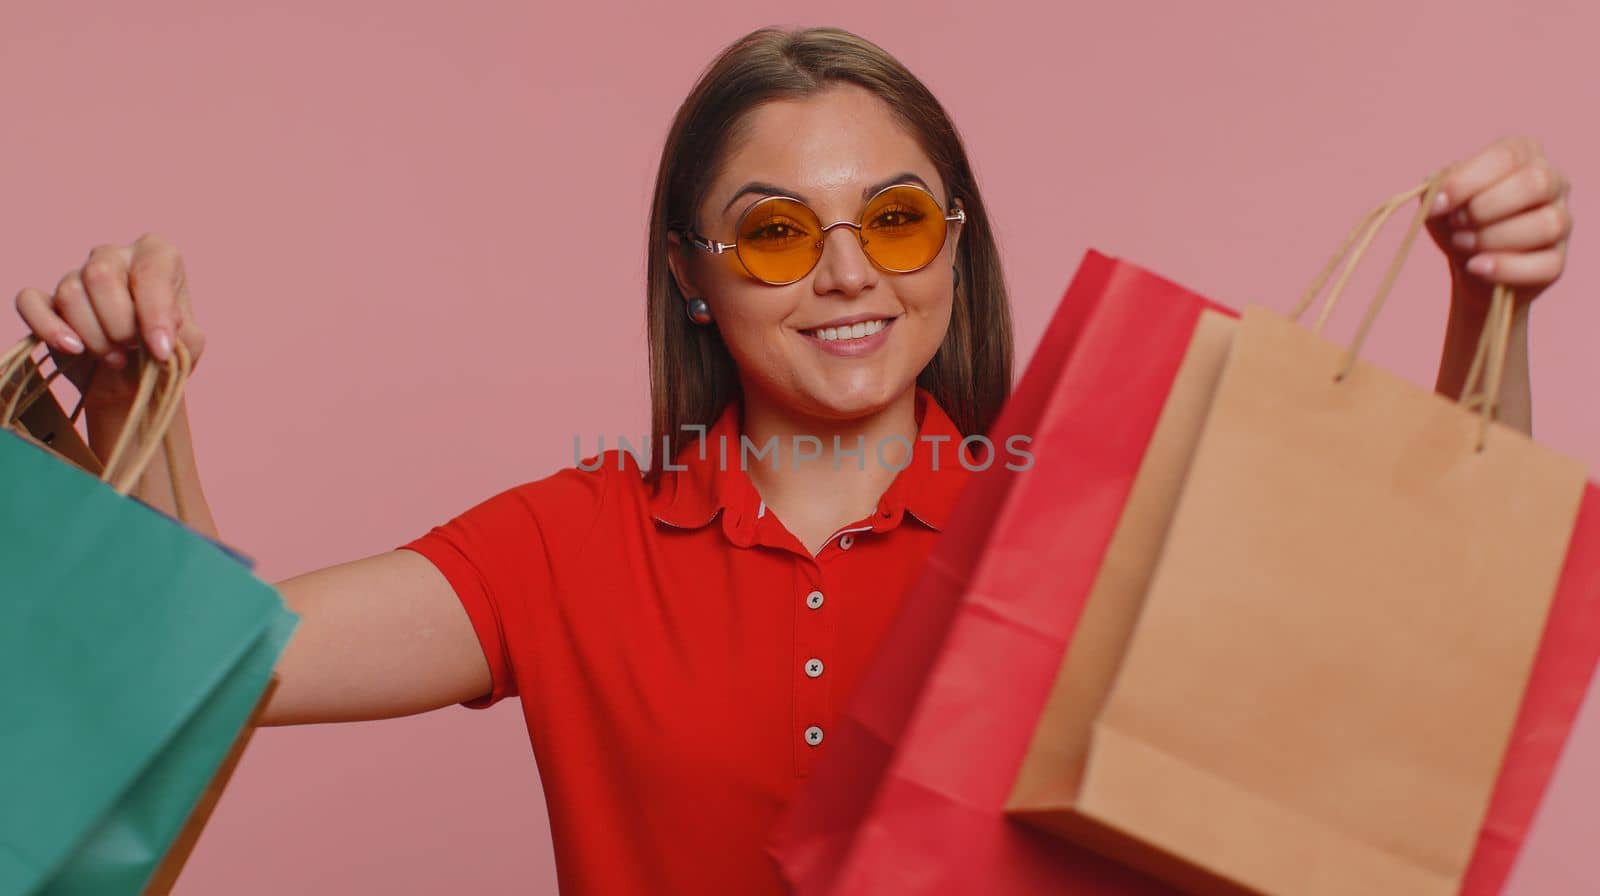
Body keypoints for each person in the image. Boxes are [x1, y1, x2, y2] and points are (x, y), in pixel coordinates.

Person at [10, 24, 1576, 896]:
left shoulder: (1088, 515)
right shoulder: (572, 544)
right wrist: (148, 399)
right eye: (775, 232)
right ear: (692, 272)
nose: (848, 274)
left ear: (953, 246)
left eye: (896, 219)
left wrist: (1482, 311)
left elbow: (1431, 673)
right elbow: (224, 672)